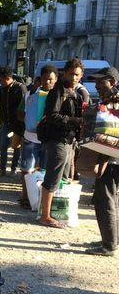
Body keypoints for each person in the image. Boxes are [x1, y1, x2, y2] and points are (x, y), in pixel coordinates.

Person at [38, 58, 87, 229]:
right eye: (72, 74)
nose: (75, 77)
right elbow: (52, 115)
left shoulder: (73, 91)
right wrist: (76, 121)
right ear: (64, 72)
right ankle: (45, 216)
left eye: (78, 75)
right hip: (57, 139)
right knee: (52, 177)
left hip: (68, 140)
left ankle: (52, 212)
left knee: (62, 177)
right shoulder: (58, 91)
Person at [85, 66, 119, 256]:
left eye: (101, 81)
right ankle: (111, 239)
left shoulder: (115, 100)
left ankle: (109, 245)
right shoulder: (110, 99)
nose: (96, 85)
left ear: (112, 82)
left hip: (111, 157)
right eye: (96, 81)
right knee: (113, 199)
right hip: (110, 156)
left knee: (105, 199)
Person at [16, 65, 57, 209]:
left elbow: (21, 114)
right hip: (31, 138)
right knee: (27, 170)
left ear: (55, 80)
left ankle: (40, 201)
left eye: (50, 79)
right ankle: (27, 198)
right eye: (45, 79)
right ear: (41, 79)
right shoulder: (30, 95)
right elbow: (20, 113)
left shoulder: (59, 96)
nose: (47, 82)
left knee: (45, 171)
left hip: (48, 140)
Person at [0, 66, 27, 176]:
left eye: (1, 80)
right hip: (5, 121)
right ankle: (2, 168)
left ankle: (14, 168)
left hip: (18, 124)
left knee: (16, 147)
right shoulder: (2, 89)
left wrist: (20, 123)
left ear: (8, 78)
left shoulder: (20, 88)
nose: (0, 82)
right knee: (3, 146)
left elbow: (24, 107)